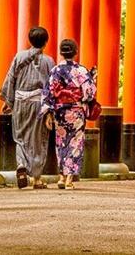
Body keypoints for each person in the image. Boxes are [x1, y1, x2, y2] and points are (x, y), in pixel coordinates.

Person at [0, 26, 55, 189]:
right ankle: (37, 178)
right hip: (39, 104)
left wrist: (8, 101)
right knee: (38, 139)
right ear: (46, 42)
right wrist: (50, 111)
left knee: (20, 137)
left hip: (20, 102)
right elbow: (51, 87)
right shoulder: (49, 61)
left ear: (30, 41)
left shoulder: (19, 56)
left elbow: (11, 78)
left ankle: (21, 165)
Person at [40, 39, 96, 190]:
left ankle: (61, 176)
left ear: (61, 53)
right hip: (77, 111)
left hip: (60, 112)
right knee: (76, 142)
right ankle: (69, 179)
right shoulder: (82, 71)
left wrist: (48, 113)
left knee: (61, 142)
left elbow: (49, 92)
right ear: (75, 52)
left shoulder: (56, 71)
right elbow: (89, 93)